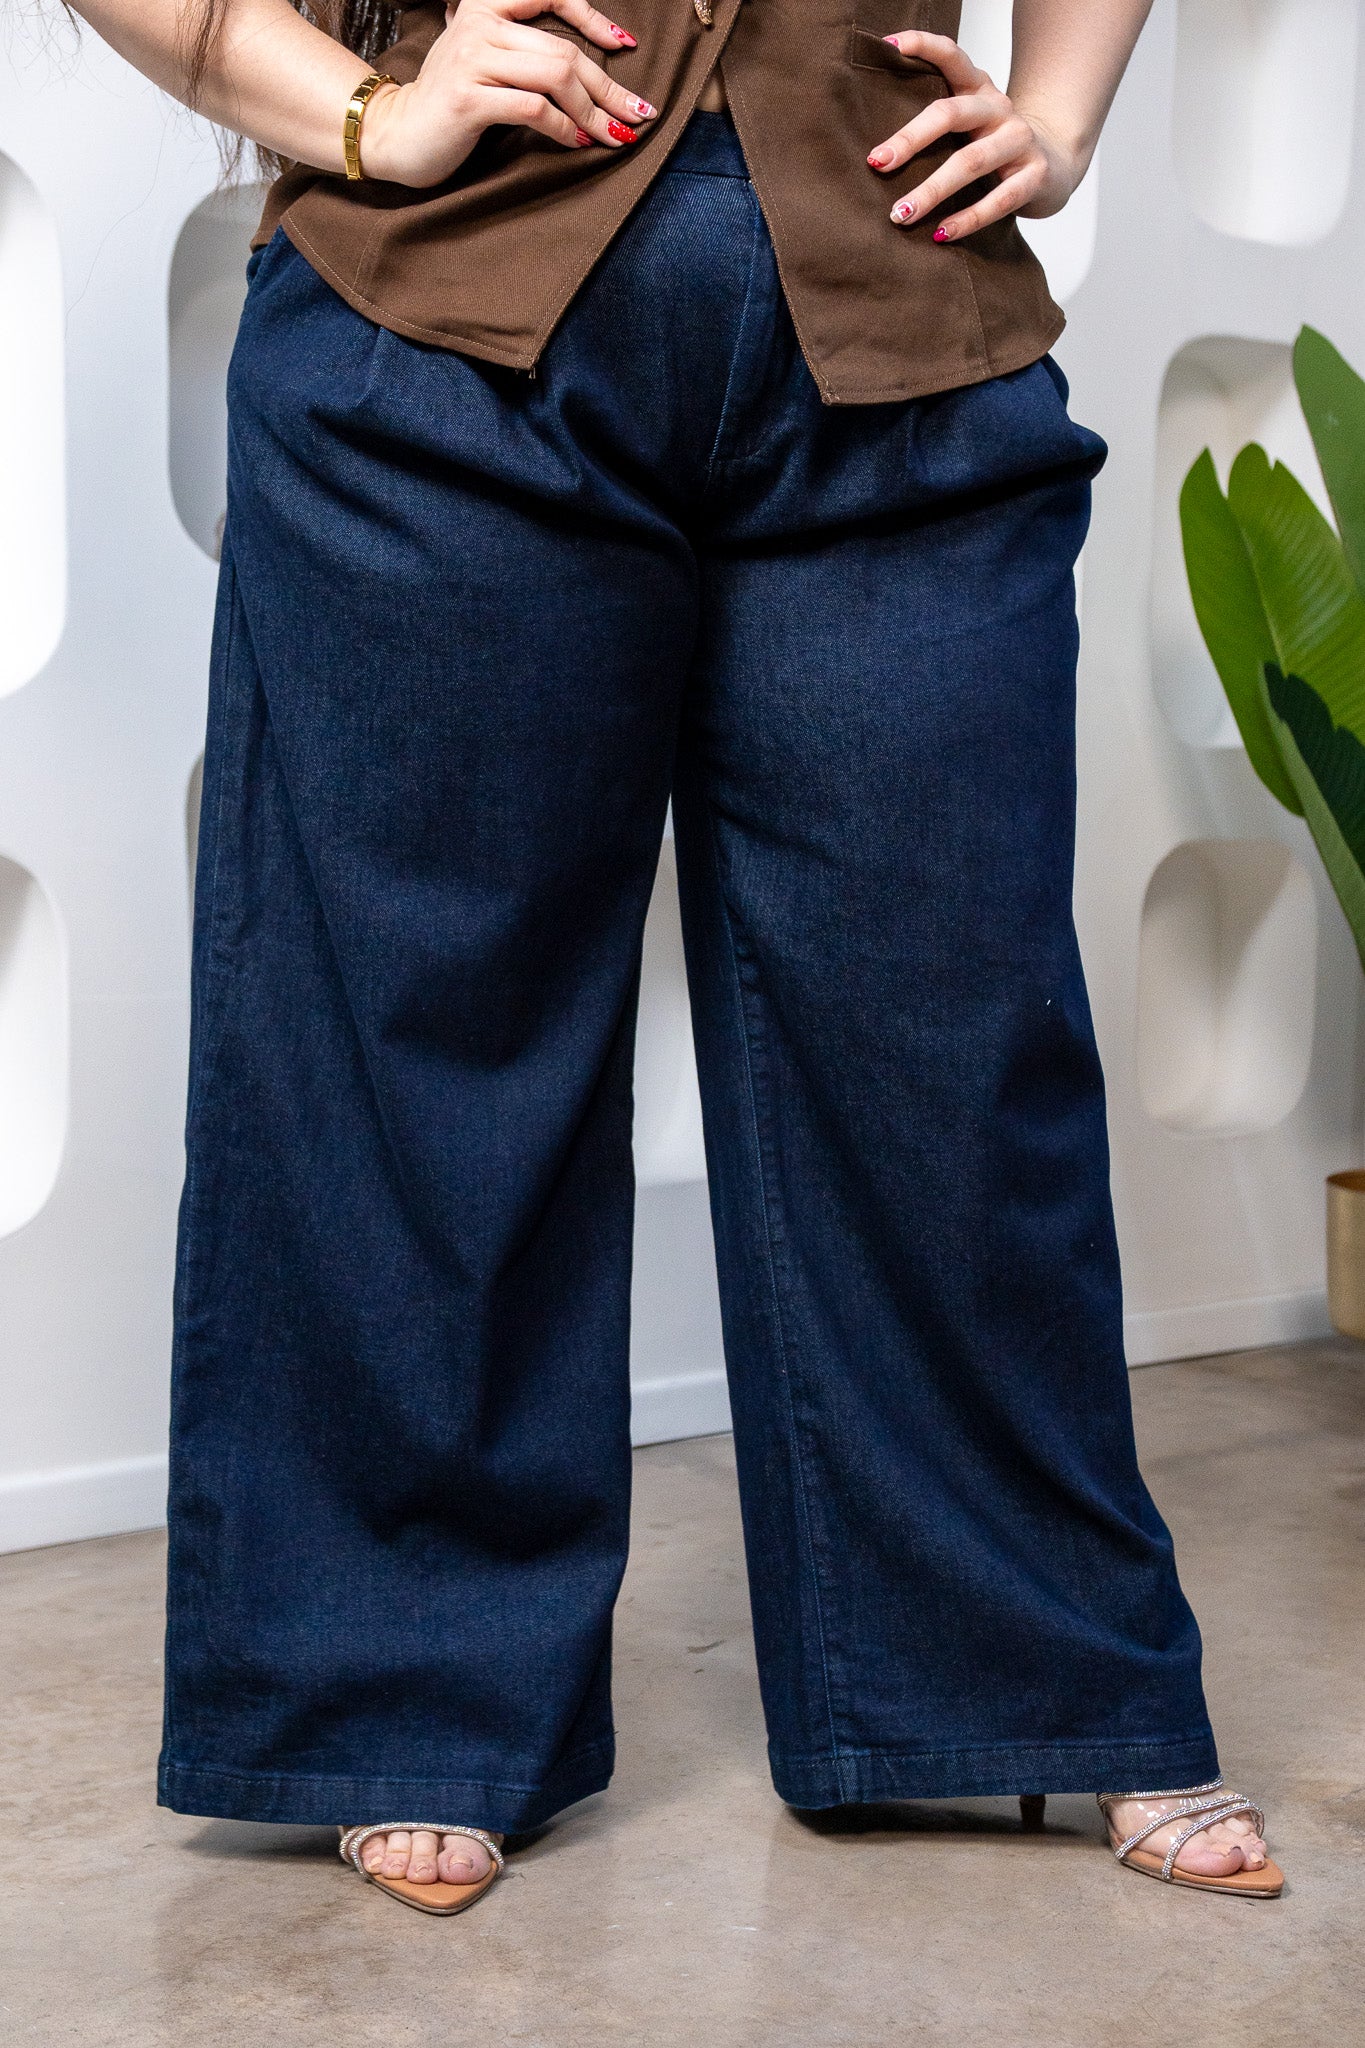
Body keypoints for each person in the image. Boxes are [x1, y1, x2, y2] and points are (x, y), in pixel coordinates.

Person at [72, 0, 1281, 1912]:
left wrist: (1056, 114)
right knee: (422, 1043)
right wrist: (366, 115)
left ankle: (1023, 1676)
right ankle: (406, 1691)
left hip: (901, 321)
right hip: (436, 336)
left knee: (950, 1049)